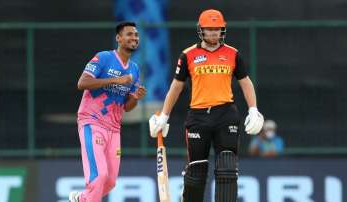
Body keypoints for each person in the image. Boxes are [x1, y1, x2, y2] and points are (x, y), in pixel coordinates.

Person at [149, 9, 264, 202]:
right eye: (209, 29)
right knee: (196, 171)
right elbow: (176, 87)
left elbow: (246, 82)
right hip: (198, 117)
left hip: (226, 114)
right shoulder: (188, 55)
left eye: (217, 29)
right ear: (201, 30)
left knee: (227, 167)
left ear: (222, 30)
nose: (213, 33)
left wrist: (253, 109)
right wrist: (164, 116)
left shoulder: (233, 54)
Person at [69, 21, 147, 202]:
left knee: (110, 182)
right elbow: (82, 83)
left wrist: (135, 97)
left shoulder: (134, 69)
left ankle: (81, 199)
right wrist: (116, 80)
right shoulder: (103, 58)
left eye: (136, 35)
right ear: (118, 39)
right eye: (129, 34)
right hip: (92, 122)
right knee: (98, 176)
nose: (134, 38)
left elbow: (126, 106)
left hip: (114, 129)